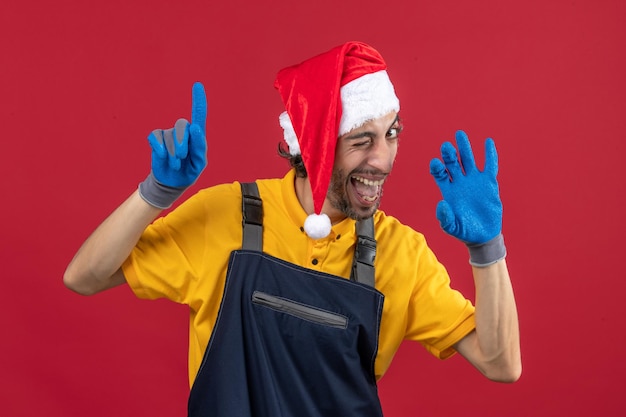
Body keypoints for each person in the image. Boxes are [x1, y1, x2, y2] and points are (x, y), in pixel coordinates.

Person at [64, 41, 521, 416]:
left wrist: (487, 249)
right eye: (361, 141)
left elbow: (501, 364)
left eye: (392, 134)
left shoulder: (402, 254)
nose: (382, 159)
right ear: (316, 147)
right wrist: (155, 194)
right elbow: (85, 277)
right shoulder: (226, 215)